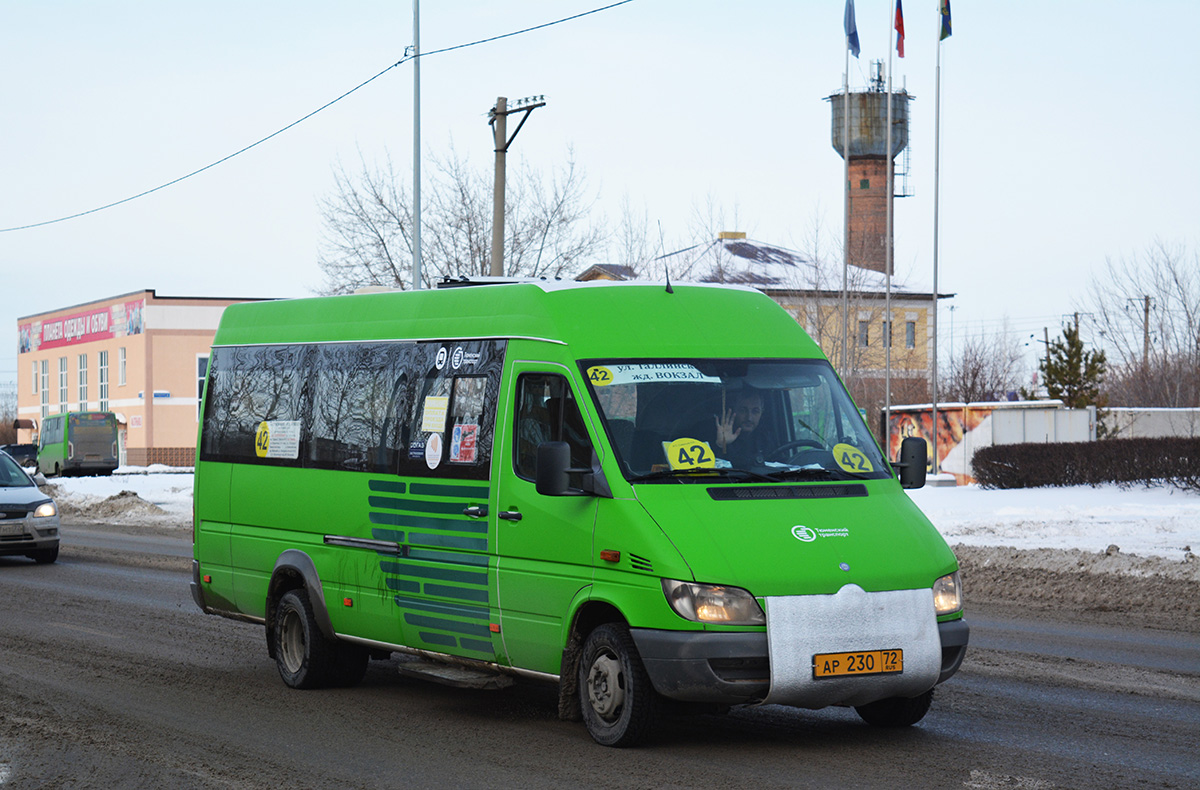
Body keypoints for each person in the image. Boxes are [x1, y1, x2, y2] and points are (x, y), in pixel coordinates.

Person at [712, 389, 771, 467]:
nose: (749, 418)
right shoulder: (716, 434)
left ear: (761, 413)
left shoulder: (766, 438)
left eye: (755, 411)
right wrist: (721, 445)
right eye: (743, 411)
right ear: (734, 411)